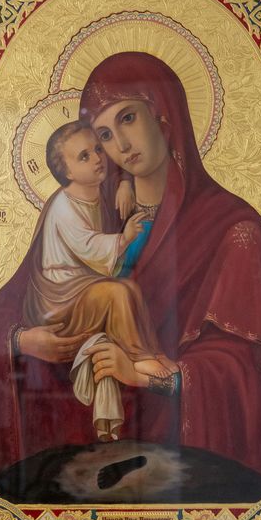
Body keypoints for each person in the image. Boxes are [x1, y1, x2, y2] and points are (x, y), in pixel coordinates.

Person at [0, 52, 261, 489]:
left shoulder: (233, 229)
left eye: (128, 118)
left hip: (181, 465)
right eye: (104, 134)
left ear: (164, 114)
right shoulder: (87, 211)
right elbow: (6, 313)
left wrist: (143, 374)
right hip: (76, 461)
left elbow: (249, 375)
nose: (120, 145)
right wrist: (26, 341)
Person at [24, 120, 176, 441]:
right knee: (116, 293)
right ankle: (140, 358)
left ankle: (150, 353)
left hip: (79, 288)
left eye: (97, 149)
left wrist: (124, 184)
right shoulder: (63, 205)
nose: (97, 158)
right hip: (58, 299)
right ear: (66, 171)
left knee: (128, 287)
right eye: (84, 156)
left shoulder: (94, 196)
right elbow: (89, 247)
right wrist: (125, 238)